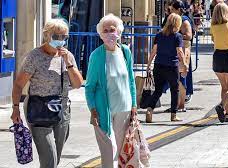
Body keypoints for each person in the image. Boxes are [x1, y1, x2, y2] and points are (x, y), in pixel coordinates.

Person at [10, 19, 83, 168]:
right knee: (49, 159)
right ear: (47, 36)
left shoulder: (67, 56)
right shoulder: (34, 56)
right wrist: (15, 108)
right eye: (57, 36)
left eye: (64, 37)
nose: (61, 40)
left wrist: (68, 62)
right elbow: (18, 85)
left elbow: (77, 84)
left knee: (55, 158)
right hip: (39, 109)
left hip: (61, 109)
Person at [85, 14, 137, 168]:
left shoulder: (125, 52)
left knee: (122, 151)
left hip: (125, 109)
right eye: (105, 30)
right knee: (109, 152)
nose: (109, 33)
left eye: (112, 30)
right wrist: (92, 109)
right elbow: (89, 87)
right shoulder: (96, 56)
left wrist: (134, 105)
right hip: (103, 111)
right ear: (101, 34)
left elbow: (131, 81)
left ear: (118, 32)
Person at [146, 13, 187, 123]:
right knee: (175, 90)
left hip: (158, 65)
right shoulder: (177, 36)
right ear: (177, 24)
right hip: (171, 66)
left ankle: (150, 109)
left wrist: (149, 65)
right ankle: (173, 115)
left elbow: (154, 51)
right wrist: (184, 64)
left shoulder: (159, 35)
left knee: (158, 90)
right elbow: (179, 51)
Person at [170, 0, 193, 111]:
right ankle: (178, 103)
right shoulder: (177, 20)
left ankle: (181, 104)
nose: (171, 12)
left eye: (173, 10)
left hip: (183, 51)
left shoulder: (184, 21)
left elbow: (189, 36)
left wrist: (176, 35)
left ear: (178, 10)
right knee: (176, 77)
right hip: (178, 50)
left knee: (181, 76)